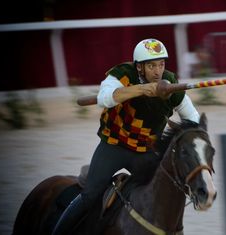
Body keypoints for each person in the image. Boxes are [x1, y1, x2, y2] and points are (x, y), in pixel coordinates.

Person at [52, 38, 200, 235]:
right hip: (114, 147)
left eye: (161, 65)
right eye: (151, 66)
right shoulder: (121, 75)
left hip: (146, 151)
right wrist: (141, 89)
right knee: (90, 196)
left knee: (167, 190)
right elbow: (105, 98)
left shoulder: (170, 83)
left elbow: (193, 118)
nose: (158, 71)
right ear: (139, 67)